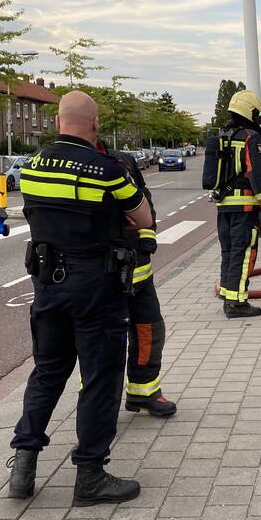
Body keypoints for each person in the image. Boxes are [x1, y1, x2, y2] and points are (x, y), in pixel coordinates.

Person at [7, 90, 154, 507]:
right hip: (96, 285)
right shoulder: (106, 169)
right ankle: (90, 475)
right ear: (94, 124)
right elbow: (142, 217)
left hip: (46, 284)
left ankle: (24, 465)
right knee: (101, 378)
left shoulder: (31, 167)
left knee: (48, 371)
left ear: (56, 122)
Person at [96, 139, 177, 417]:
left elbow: (144, 199)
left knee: (149, 330)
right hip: (102, 273)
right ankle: (99, 406)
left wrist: (147, 234)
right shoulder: (79, 167)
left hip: (139, 269)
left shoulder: (123, 161)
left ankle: (143, 392)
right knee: (103, 340)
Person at [202, 90, 261, 319]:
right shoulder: (250, 137)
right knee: (243, 254)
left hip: (224, 207)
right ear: (250, 111)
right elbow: (256, 174)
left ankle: (227, 291)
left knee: (228, 251)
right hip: (244, 207)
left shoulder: (224, 135)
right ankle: (236, 302)